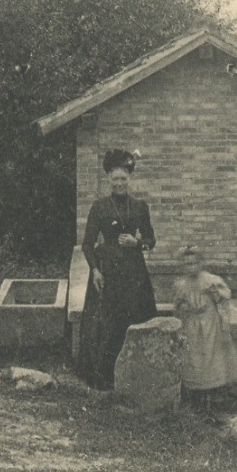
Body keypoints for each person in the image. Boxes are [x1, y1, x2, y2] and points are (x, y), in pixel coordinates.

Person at [75, 148, 158, 390]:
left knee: (137, 319)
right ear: (108, 181)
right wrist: (95, 272)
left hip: (134, 274)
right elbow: (87, 245)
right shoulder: (100, 207)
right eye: (115, 179)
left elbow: (151, 240)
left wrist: (137, 243)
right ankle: (105, 380)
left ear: (129, 180)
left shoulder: (140, 207)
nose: (120, 183)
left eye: (124, 178)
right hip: (109, 272)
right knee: (109, 325)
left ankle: (137, 376)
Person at [172, 245, 237, 407]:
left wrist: (216, 294)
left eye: (194, 263)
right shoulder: (181, 284)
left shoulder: (211, 280)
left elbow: (224, 299)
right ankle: (197, 403)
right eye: (187, 264)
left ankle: (211, 402)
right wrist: (182, 307)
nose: (191, 267)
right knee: (194, 359)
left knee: (211, 359)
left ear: (200, 263)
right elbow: (177, 306)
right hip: (192, 324)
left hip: (209, 324)